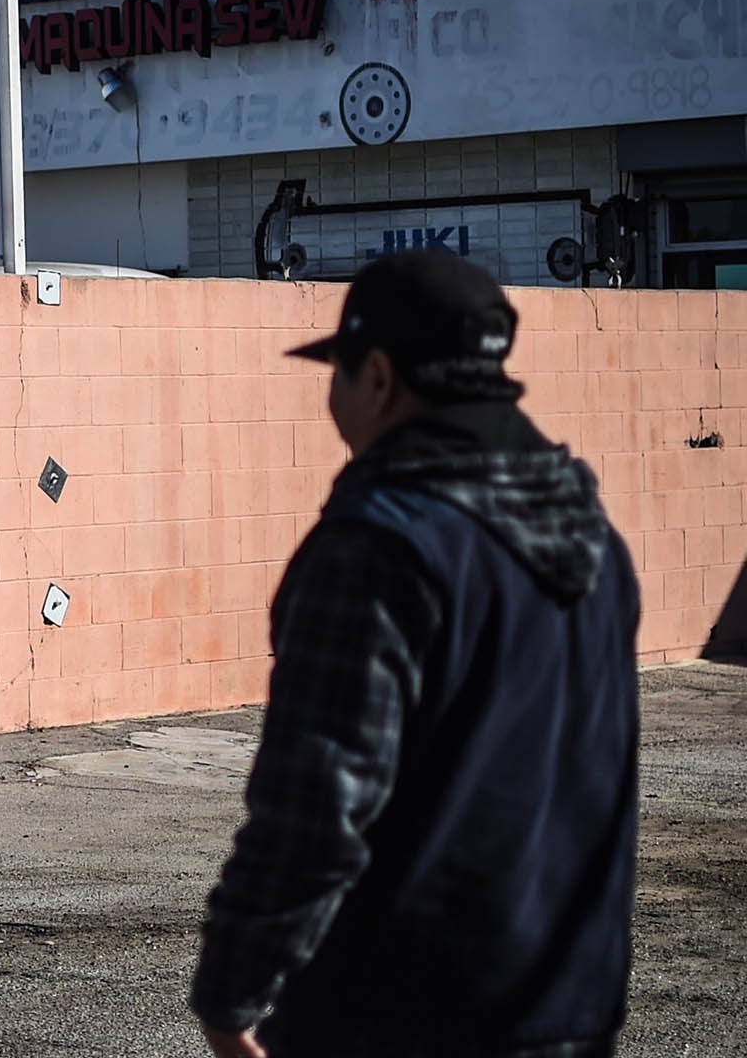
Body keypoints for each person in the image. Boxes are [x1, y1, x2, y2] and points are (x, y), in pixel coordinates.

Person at [190, 250, 639, 1058]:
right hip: (571, 1009)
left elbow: (317, 810)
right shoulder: (595, 542)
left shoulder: (376, 550)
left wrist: (230, 998)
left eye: (337, 369)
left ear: (379, 379)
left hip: (399, 1018)